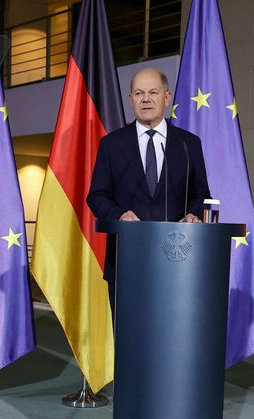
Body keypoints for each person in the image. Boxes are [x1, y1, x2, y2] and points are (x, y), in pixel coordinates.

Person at [87, 67, 211, 292]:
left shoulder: (188, 144)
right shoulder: (112, 144)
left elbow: (201, 195)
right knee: (128, 328)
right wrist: (119, 215)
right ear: (130, 100)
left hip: (178, 259)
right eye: (138, 93)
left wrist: (193, 214)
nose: (145, 99)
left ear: (167, 98)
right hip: (126, 258)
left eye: (153, 92)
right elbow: (97, 196)